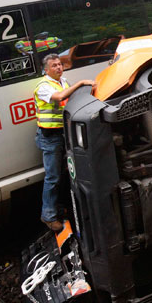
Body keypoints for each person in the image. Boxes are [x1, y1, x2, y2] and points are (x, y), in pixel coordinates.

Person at [34, 53, 96, 232]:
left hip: (62, 134)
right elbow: (59, 97)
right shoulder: (43, 86)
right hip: (50, 138)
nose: (59, 67)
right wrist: (82, 83)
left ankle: (59, 207)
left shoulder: (63, 82)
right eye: (54, 66)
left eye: (60, 64)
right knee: (52, 177)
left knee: (65, 174)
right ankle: (48, 216)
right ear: (46, 70)